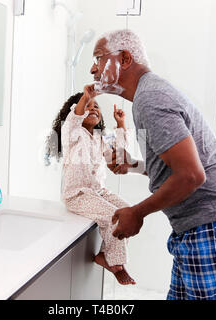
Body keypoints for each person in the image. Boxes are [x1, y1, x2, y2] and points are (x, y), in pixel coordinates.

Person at [89, 29, 216, 300]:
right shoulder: (145, 98)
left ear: (124, 59)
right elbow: (173, 165)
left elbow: (191, 175)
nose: (92, 70)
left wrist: (138, 212)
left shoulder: (150, 98)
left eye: (98, 59)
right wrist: (131, 164)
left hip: (215, 224)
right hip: (207, 225)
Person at [45, 87, 136, 285]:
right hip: (77, 194)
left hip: (98, 192)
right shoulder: (72, 133)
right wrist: (87, 96)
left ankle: (105, 254)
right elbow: (73, 118)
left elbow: (121, 156)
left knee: (128, 212)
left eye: (96, 107)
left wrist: (120, 123)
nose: (93, 108)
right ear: (77, 111)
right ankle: (115, 263)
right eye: (88, 107)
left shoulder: (102, 136)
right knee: (115, 217)